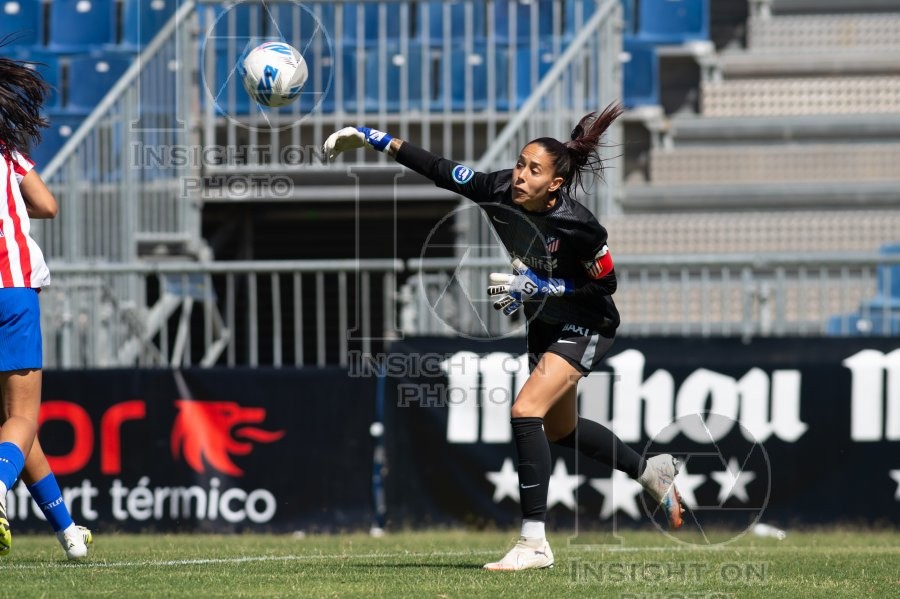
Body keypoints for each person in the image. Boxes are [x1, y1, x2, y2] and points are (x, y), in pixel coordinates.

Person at [324, 104, 684, 571]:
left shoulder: (580, 226)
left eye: (534, 170)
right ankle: (650, 471)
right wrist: (372, 137)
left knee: (525, 410)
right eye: (520, 163)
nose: (520, 175)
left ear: (555, 184)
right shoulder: (496, 189)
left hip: (588, 323)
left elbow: (606, 285)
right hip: (546, 323)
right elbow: (438, 168)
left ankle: (534, 542)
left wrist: (545, 286)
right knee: (560, 430)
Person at [0, 52, 92, 560]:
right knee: (22, 417)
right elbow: (48, 205)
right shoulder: (6, 151)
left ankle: (69, 534)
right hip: (11, 289)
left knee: (14, 423)